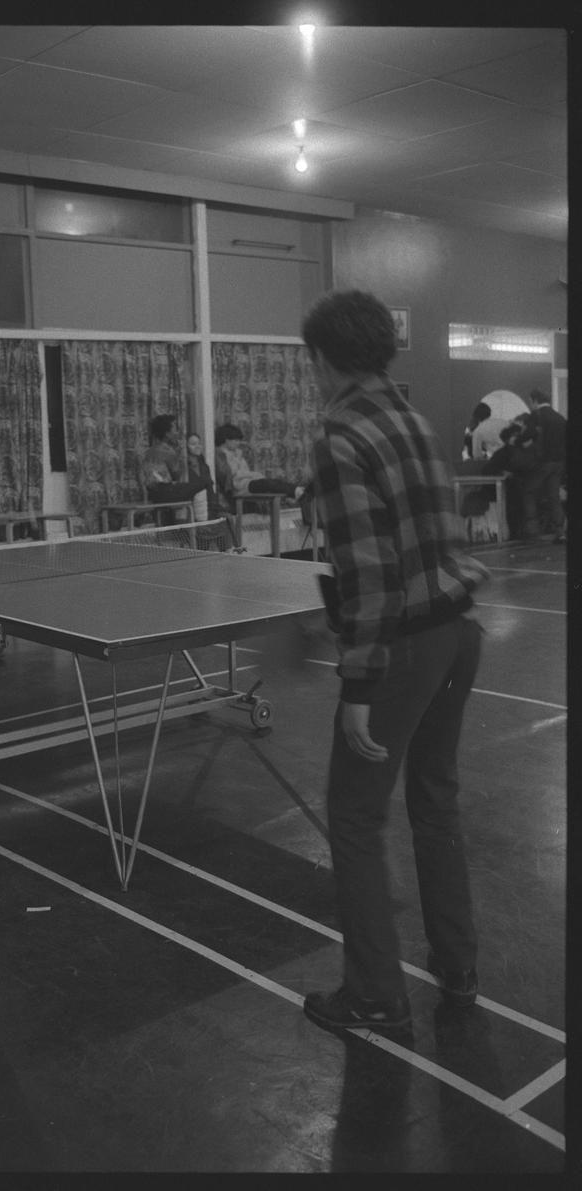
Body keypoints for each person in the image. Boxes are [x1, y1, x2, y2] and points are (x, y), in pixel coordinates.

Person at [300, 289, 489, 1033]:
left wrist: (357, 683)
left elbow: (371, 575)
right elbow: (435, 541)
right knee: (435, 799)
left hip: (402, 645)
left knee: (352, 814)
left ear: (323, 359)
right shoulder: (412, 418)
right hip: (457, 632)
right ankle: (458, 964)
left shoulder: (341, 434)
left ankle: (375, 992)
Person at [518, 389, 567, 542]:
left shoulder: (536, 415)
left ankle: (533, 531)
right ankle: (560, 532)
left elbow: (528, 434)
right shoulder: (560, 418)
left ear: (534, 400)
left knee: (529, 492)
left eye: (530, 402)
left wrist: (517, 439)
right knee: (554, 497)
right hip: (558, 463)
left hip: (542, 462)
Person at [214, 424, 305, 504]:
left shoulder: (237, 453)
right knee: (268, 484)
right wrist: (254, 474)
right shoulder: (221, 455)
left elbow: (244, 471)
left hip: (247, 483)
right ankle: (296, 492)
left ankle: (296, 492)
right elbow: (233, 475)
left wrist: (252, 475)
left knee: (273, 482)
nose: (238, 443)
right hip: (239, 487)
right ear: (226, 440)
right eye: (236, 440)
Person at [141, 414, 209, 508]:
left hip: (152, 493)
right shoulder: (167, 451)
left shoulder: (151, 450)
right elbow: (177, 474)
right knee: (202, 484)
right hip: (165, 492)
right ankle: (200, 520)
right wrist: (181, 455)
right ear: (167, 433)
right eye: (175, 429)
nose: (177, 432)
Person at [186, 432, 221, 519]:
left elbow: (210, 488)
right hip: (190, 509)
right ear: (185, 447)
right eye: (193, 444)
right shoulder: (182, 467)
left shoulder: (204, 466)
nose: (197, 446)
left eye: (199, 443)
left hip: (207, 509)